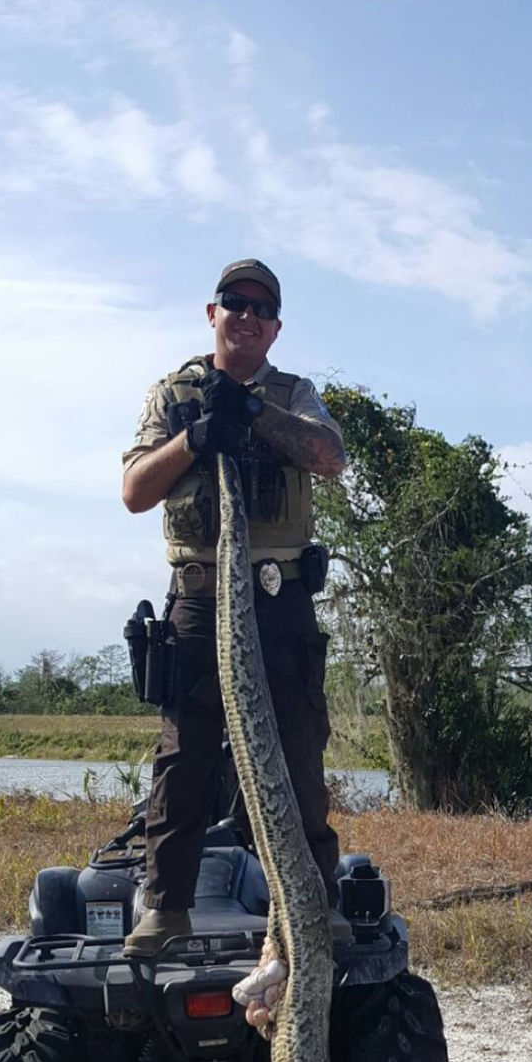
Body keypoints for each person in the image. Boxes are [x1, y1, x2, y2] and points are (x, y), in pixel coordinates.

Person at [120, 257, 347, 957]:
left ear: (274, 326)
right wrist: (194, 437)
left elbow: (328, 456)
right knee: (184, 755)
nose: (245, 315)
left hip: (277, 599)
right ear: (211, 313)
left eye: (260, 307)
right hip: (198, 596)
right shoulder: (173, 393)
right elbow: (133, 489)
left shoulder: (293, 393)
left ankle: (314, 907)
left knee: (298, 755)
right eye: (233, 303)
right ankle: (166, 908)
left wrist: (252, 414)